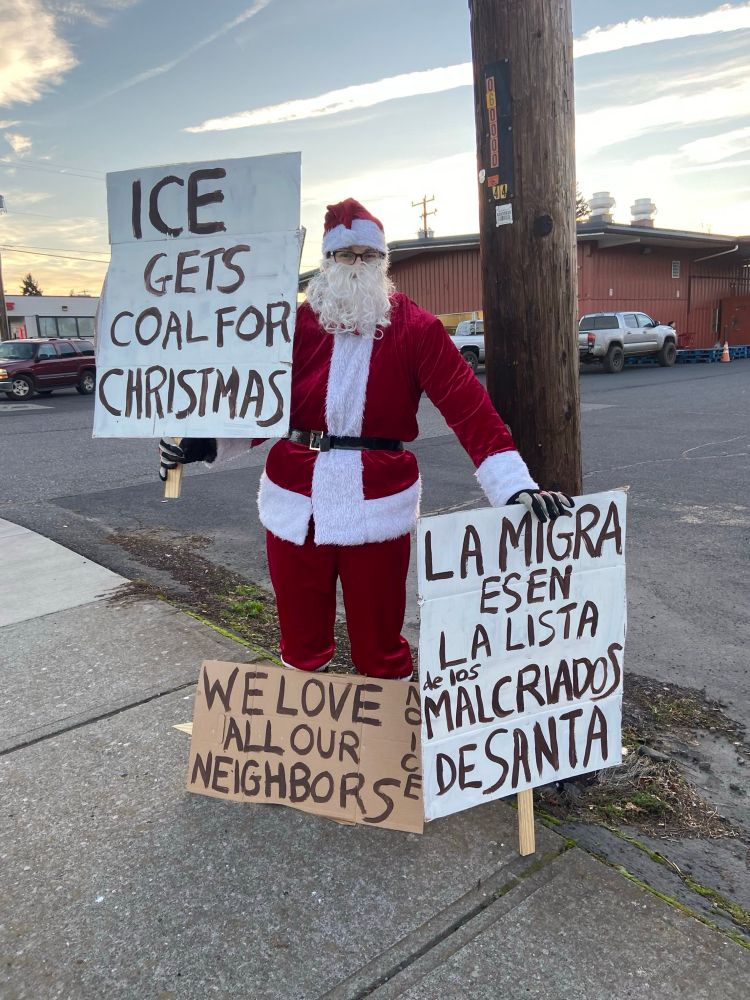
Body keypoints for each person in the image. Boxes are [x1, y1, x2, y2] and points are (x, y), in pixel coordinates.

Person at [159, 198, 573, 680]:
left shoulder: (416, 328)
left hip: (375, 505)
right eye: (346, 255)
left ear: (383, 261)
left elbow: (468, 406)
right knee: (300, 638)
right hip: (295, 500)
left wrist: (514, 485)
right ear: (327, 261)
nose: (357, 265)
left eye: (368, 256)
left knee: (379, 644)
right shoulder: (292, 326)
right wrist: (206, 441)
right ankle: (304, 738)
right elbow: (261, 405)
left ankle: (386, 745)